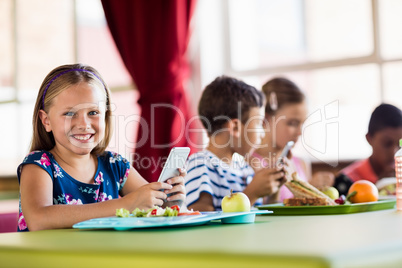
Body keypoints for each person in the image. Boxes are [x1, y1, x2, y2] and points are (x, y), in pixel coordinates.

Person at [17, 64, 186, 231]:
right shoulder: (39, 165)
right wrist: (125, 204)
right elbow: (39, 219)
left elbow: (148, 206)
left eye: (93, 113)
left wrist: (166, 202)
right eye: (69, 113)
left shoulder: (115, 165)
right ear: (46, 120)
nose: (84, 124)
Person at [185, 76, 289, 211]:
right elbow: (202, 224)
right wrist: (252, 193)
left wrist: (274, 189)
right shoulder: (200, 165)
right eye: (258, 123)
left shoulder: (244, 170)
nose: (263, 133)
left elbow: (255, 215)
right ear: (235, 127)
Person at [249, 77, 333, 203]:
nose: (300, 132)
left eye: (302, 124)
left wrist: (311, 190)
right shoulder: (249, 165)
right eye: (292, 123)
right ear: (265, 119)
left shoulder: (301, 164)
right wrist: (306, 193)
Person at [334, 103, 402, 195]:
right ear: (369, 138)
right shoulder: (345, 182)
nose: (394, 152)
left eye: (400, 145)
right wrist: (379, 187)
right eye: (387, 144)